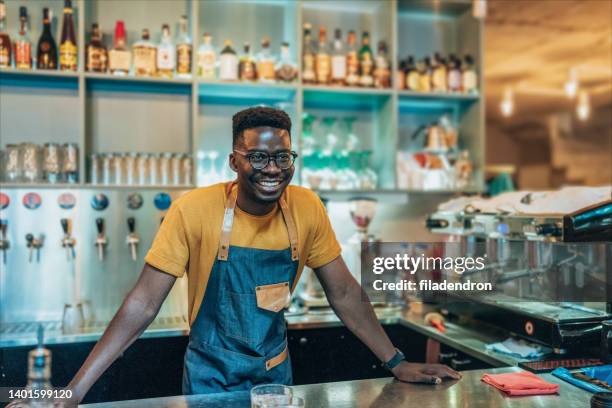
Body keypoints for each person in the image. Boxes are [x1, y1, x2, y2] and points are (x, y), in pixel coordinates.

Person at [63, 107, 460, 403]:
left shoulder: (306, 208)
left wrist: (396, 362)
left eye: (282, 157)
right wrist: (73, 391)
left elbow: (344, 294)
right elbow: (144, 302)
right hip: (208, 383)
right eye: (257, 157)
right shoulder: (194, 209)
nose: (272, 169)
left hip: (274, 384)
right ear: (234, 160)